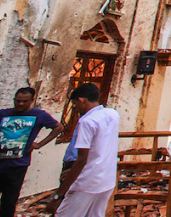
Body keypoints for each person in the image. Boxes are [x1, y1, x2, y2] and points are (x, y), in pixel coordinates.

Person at [45, 83, 119, 217]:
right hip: (107, 179)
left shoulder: (87, 122)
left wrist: (58, 195)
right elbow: (99, 148)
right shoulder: (112, 114)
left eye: (74, 103)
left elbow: (81, 160)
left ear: (81, 100)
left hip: (87, 182)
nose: (74, 107)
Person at [0, 87, 64, 217]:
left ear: (32, 100)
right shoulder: (2, 115)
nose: (20, 104)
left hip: (17, 167)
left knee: (9, 202)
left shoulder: (39, 115)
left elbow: (58, 127)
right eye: (17, 101)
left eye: (24, 101)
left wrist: (39, 144)